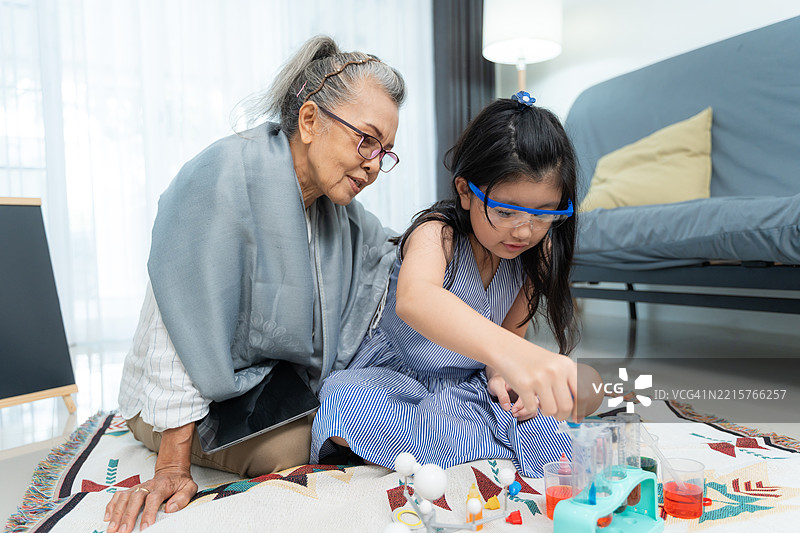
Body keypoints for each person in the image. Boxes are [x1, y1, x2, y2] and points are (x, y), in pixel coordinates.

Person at [104, 35, 406, 532]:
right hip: (179, 404)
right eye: (366, 139)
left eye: (386, 151)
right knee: (323, 436)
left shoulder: (338, 215)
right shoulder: (220, 177)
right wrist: (173, 467)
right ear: (309, 121)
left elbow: (392, 254)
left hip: (260, 388)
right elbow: (177, 322)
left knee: (368, 407)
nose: (374, 163)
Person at [310, 92, 604, 477]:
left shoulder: (535, 253)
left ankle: (451, 448)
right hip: (398, 379)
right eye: (504, 211)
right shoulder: (438, 235)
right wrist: (515, 355)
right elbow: (416, 299)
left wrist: (504, 375)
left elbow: (505, 340)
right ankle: (464, 450)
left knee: (566, 413)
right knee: (345, 401)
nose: (524, 229)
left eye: (544, 215)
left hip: (469, 386)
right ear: (466, 192)